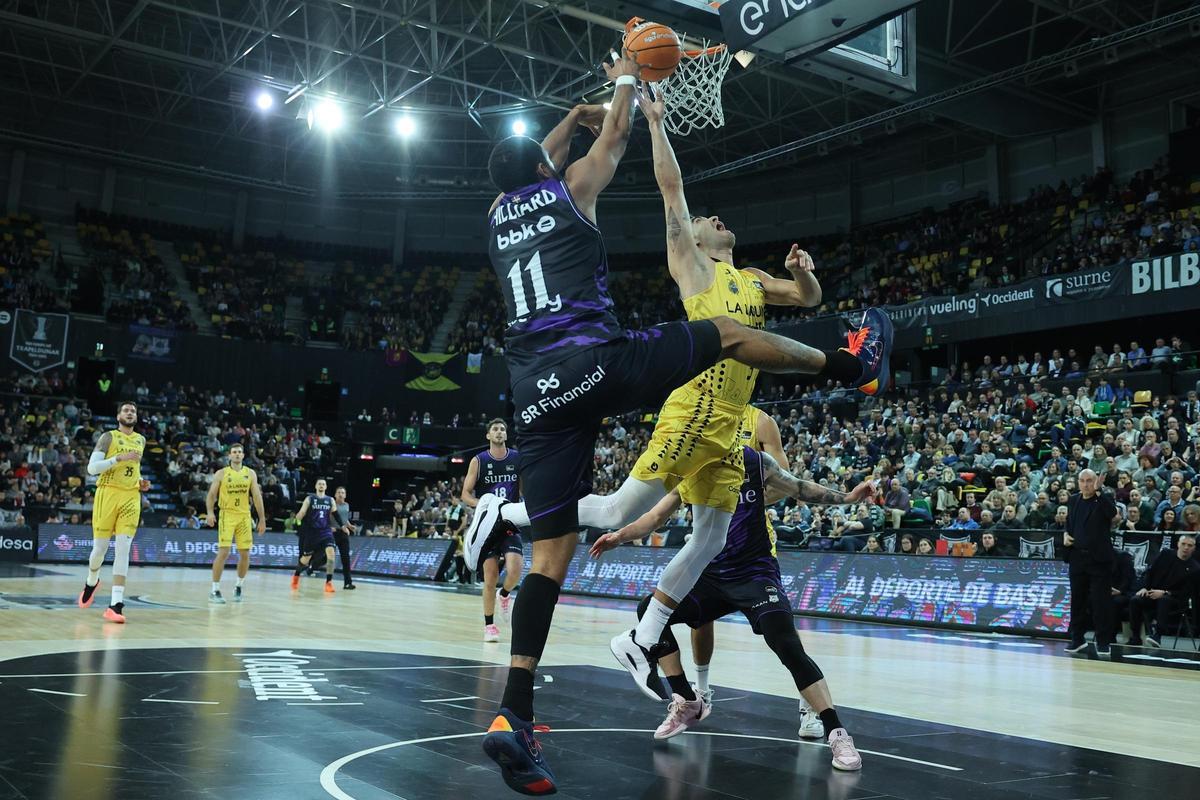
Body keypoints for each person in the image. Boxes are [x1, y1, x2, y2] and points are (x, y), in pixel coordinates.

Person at [474, 68, 892, 795]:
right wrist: (625, 82)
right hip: (596, 364)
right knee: (725, 336)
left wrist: (569, 119)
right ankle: (852, 366)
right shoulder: (572, 193)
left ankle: (515, 713)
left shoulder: (496, 218)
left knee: (551, 556)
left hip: (532, 391)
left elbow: (530, 165)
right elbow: (616, 138)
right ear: (548, 170)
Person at [590, 444, 873, 769]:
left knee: (786, 643)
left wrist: (848, 498)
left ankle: (836, 732)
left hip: (755, 573)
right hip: (710, 575)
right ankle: (688, 699)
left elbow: (798, 488)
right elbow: (655, 516)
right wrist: (619, 536)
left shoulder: (754, 461)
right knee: (650, 611)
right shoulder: (692, 467)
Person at [77, 401, 148, 623]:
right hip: (107, 494)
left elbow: (133, 468)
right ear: (118, 416)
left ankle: (116, 605)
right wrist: (118, 458)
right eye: (126, 410)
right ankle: (92, 581)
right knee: (99, 550)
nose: (130, 413)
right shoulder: (108, 437)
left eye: (133, 411)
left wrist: (141, 481)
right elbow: (91, 469)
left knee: (123, 549)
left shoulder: (141, 440)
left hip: (131, 496)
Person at [462, 419, 522, 642]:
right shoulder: (478, 461)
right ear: (488, 435)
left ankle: (504, 594)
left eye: (502, 429)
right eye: (495, 429)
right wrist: (482, 505)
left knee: (515, 568)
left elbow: (524, 489)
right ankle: (489, 626)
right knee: (490, 576)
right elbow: (465, 494)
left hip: (509, 520)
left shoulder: (517, 458)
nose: (499, 432)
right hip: (487, 523)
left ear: (506, 435)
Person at [1063, 470, 1119, 656]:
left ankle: (1103, 641)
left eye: (1089, 481)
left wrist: (1099, 491)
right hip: (1077, 558)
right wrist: (1065, 534)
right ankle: (1077, 639)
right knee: (1077, 601)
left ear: (1096, 482)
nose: (1086, 484)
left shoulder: (1103, 498)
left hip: (1099, 560)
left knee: (1100, 602)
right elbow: (1069, 522)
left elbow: (1112, 514)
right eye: (1082, 480)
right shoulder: (1074, 500)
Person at [204, 443, 266, 603]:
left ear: (243, 455)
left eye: (239, 452)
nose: (237, 454)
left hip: (244, 516)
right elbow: (211, 495)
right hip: (227, 515)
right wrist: (210, 512)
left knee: (245, 554)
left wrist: (262, 519)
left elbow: (257, 497)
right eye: (234, 452)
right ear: (230, 455)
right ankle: (215, 590)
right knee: (223, 552)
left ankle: (238, 586)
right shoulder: (221, 473)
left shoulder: (250, 473)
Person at [1128, 534, 1199, 646]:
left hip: (1175, 600)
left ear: (1194, 548)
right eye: (1183, 544)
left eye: (1190, 545)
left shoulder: (1195, 568)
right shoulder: (1166, 554)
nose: (1186, 547)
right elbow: (1150, 572)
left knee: (1164, 600)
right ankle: (1135, 637)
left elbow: (1187, 592)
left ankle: (1158, 635)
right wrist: (1144, 587)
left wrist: (1165, 592)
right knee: (1135, 600)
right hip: (1153, 592)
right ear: (1178, 544)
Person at [291, 479, 338, 593]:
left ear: (326, 487)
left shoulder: (330, 500)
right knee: (305, 559)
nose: (321, 485)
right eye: (319, 484)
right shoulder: (310, 499)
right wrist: (297, 519)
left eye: (323, 484)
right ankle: (296, 576)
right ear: (316, 486)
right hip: (312, 533)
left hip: (326, 531)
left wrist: (343, 525)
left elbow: (336, 514)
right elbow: (302, 512)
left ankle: (329, 583)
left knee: (331, 554)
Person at [332, 486, 357, 590]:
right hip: (332, 533)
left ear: (345, 495)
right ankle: (312, 567)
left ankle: (347, 583)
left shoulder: (347, 505)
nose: (341, 494)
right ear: (335, 495)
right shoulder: (332, 505)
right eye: (339, 492)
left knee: (346, 559)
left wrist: (350, 526)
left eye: (342, 493)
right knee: (326, 557)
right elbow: (326, 518)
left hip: (343, 533)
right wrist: (329, 527)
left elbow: (344, 519)